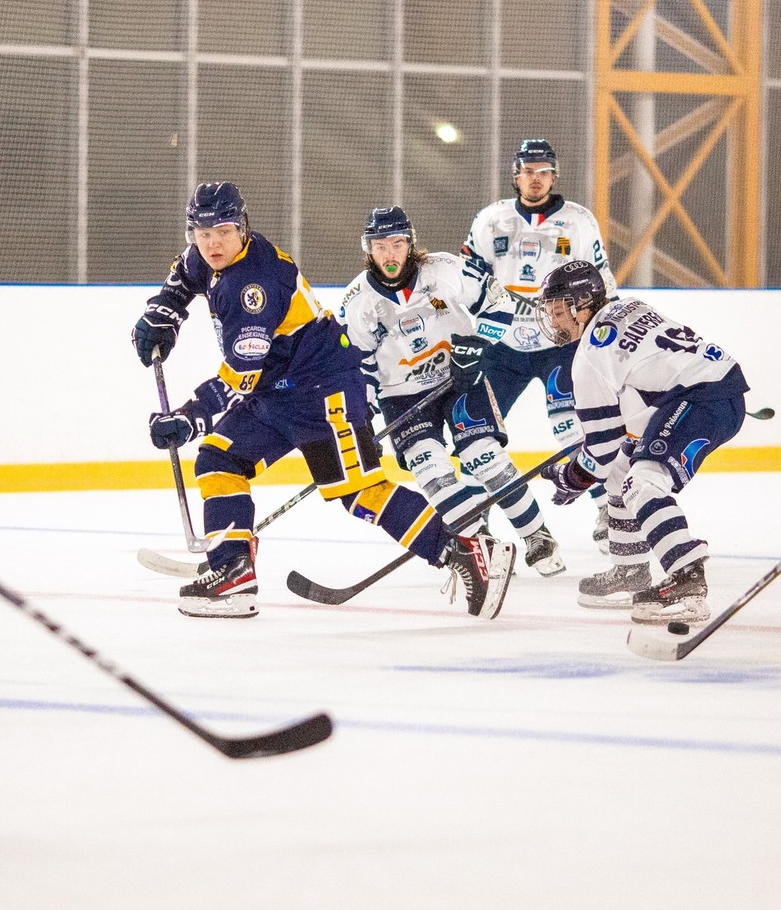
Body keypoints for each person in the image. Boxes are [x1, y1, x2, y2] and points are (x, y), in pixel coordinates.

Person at [133, 182, 516, 621]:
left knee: (360, 492)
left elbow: (242, 370)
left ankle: (464, 551)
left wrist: (193, 415)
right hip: (274, 394)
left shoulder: (254, 286)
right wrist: (164, 311)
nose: (213, 243)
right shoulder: (209, 256)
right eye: (203, 234)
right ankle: (232, 572)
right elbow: (184, 275)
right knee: (219, 459)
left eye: (222, 232)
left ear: (242, 228)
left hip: (321, 392)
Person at [338, 205, 564, 577]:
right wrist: (360, 420)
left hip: (461, 378)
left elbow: (498, 301)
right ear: (368, 249)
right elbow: (356, 370)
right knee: (431, 471)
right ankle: (482, 548)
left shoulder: (443, 269)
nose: (389, 254)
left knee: (483, 456)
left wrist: (477, 345)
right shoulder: (357, 301)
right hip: (401, 396)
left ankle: (537, 535)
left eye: (397, 244)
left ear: (410, 243)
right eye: (380, 246)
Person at [535, 260, 749, 625]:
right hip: (713, 388)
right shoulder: (629, 306)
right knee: (621, 472)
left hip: (700, 399)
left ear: (582, 305)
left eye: (558, 312)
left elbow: (601, 448)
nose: (554, 323)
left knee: (642, 482)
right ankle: (631, 570)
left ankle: (687, 578)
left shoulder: (589, 357)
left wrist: (572, 477)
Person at [457, 139, 618, 552]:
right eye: (529, 171)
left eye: (543, 171)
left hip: (560, 340)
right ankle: (476, 517)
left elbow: (602, 278)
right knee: (475, 431)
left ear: (554, 175)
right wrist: (477, 313)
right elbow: (466, 275)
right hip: (501, 345)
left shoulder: (578, 221)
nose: (536, 178)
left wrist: (604, 326)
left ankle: (609, 508)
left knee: (571, 426)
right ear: (516, 175)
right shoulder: (491, 219)